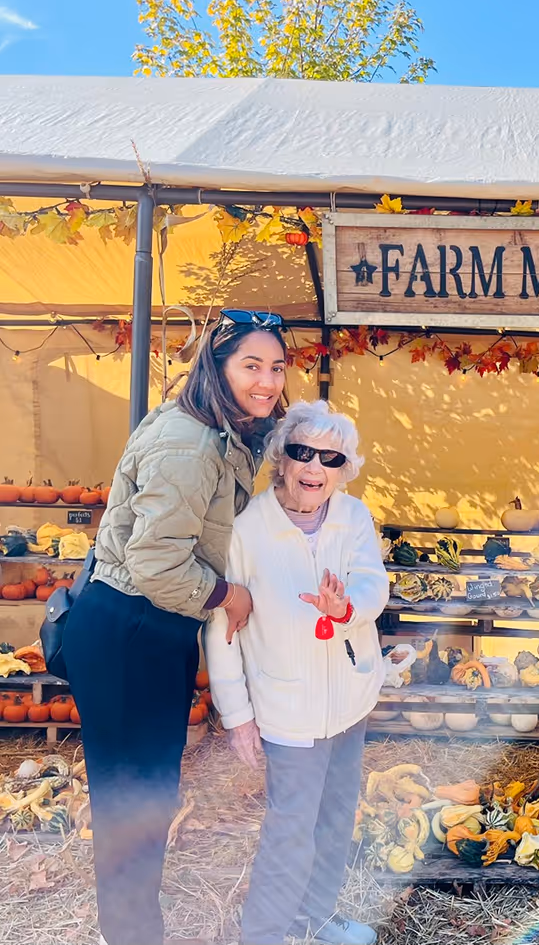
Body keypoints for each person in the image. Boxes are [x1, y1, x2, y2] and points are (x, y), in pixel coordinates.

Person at [62, 310, 288, 945]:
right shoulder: (190, 443)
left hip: (147, 628)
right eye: (251, 365)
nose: (267, 381)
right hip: (130, 627)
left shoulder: (210, 429)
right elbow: (156, 563)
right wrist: (226, 593)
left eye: (276, 367)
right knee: (133, 798)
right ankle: (133, 934)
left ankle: (134, 929)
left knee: (145, 794)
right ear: (217, 367)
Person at [204, 400, 389, 945]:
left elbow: (372, 584)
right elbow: (222, 630)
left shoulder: (353, 517)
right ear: (281, 460)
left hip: (349, 700)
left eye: (330, 458)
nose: (314, 467)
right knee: (290, 832)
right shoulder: (245, 531)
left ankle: (317, 917)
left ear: (344, 469)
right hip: (288, 710)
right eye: (302, 452)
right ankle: (261, 934)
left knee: (335, 821)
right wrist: (236, 715)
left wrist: (345, 608)